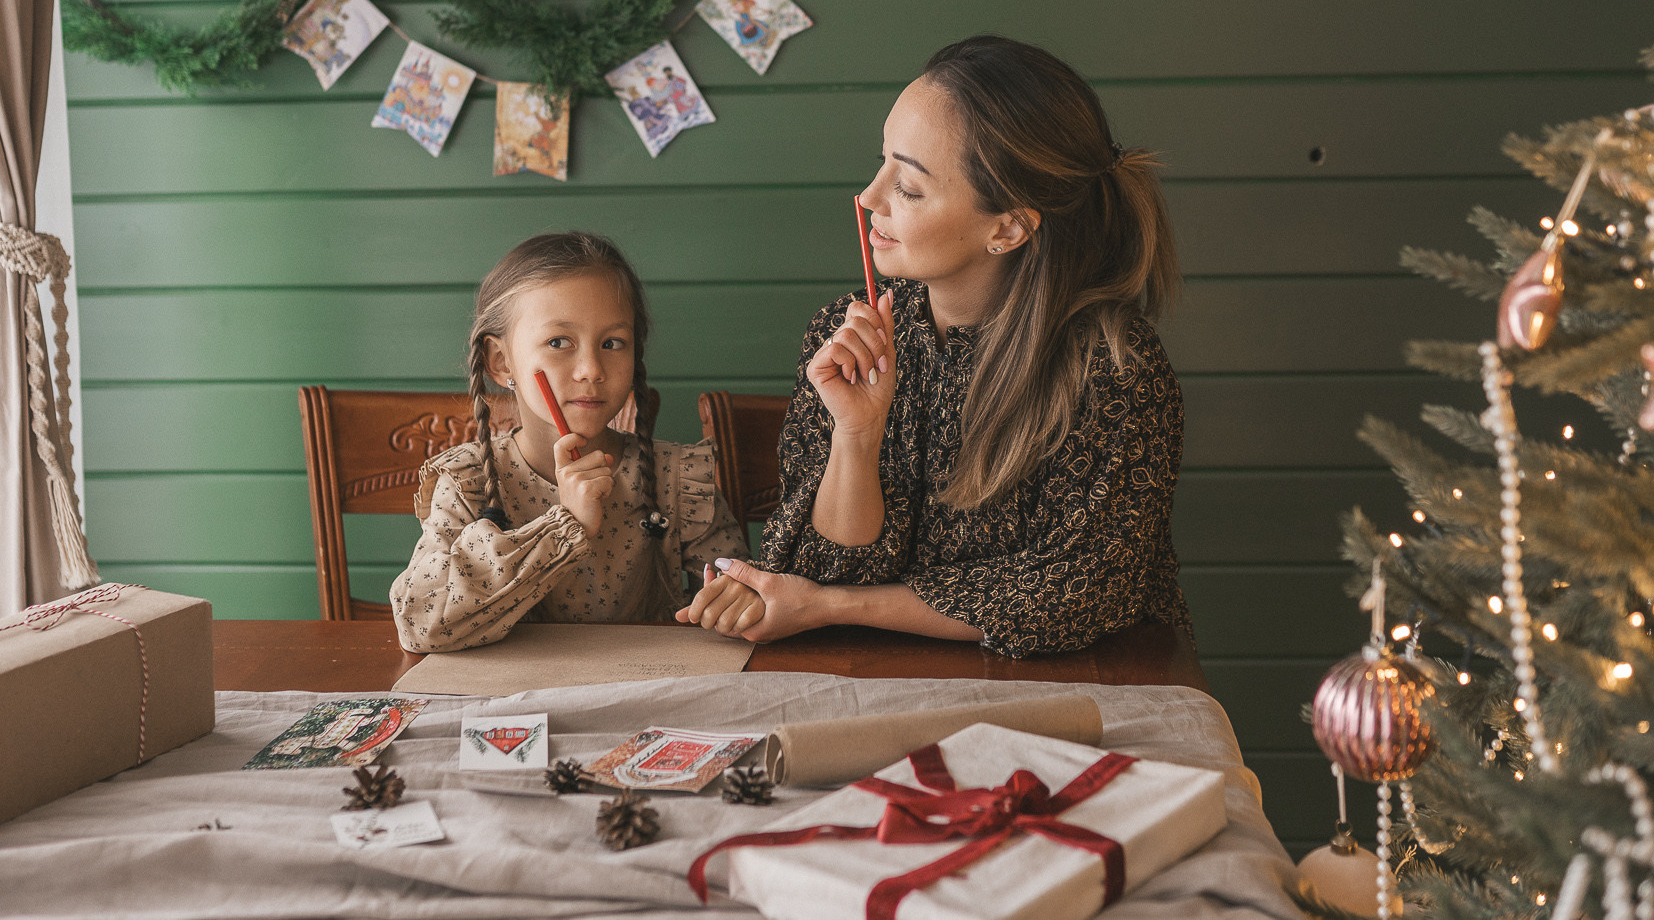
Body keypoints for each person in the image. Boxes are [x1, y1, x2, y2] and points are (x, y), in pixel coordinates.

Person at [702, 36, 1189, 658]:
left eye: (908, 187)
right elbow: (817, 567)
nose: (868, 197)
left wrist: (832, 607)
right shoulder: (845, 334)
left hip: (1079, 688)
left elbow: (1077, 591)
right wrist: (856, 435)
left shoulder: (1113, 369)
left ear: (1007, 227)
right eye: (881, 163)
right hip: (874, 678)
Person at [391, 232, 760, 651]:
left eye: (612, 343)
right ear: (500, 361)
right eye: (558, 342)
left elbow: (741, 590)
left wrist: (740, 598)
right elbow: (419, 625)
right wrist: (564, 526)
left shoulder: (678, 479)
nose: (590, 369)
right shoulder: (468, 481)